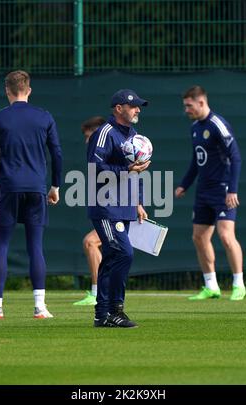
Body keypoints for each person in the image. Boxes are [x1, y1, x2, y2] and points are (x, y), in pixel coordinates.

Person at [0, 70, 62, 319]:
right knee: (35, 245)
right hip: (37, 187)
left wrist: (3, 180)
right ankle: (40, 307)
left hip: (9, 186)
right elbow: (56, 154)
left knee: (1, 244)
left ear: (7, 90)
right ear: (29, 90)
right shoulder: (44, 117)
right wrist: (55, 186)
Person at [175, 85, 246, 301]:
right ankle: (211, 285)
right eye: (185, 106)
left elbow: (236, 158)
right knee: (199, 237)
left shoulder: (218, 125)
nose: (186, 110)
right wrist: (184, 185)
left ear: (201, 102)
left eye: (189, 106)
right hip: (203, 192)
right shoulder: (195, 127)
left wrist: (232, 190)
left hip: (223, 191)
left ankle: (238, 284)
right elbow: (197, 160)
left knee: (225, 236)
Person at [87, 89, 150, 328]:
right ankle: (114, 310)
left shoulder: (132, 134)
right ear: (118, 109)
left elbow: (134, 173)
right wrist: (128, 170)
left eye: (139, 106)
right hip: (105, 206)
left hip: (123, 206)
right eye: (133, 106)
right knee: (124, 253)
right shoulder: (105, 133)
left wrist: (138, 202)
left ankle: (103, 314)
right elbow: (95, 168)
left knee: (114, 256)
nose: (137, 110)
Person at [73, 116, 106, 306]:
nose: (87, 141)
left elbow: (133, 177)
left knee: (90, 242)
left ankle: (97, 293)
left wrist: (137, 205)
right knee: (93, 244)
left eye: (89, 136)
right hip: (110, 210)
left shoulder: (112, 150)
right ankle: (102, 292)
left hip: (122, 212)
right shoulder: (96, 156)